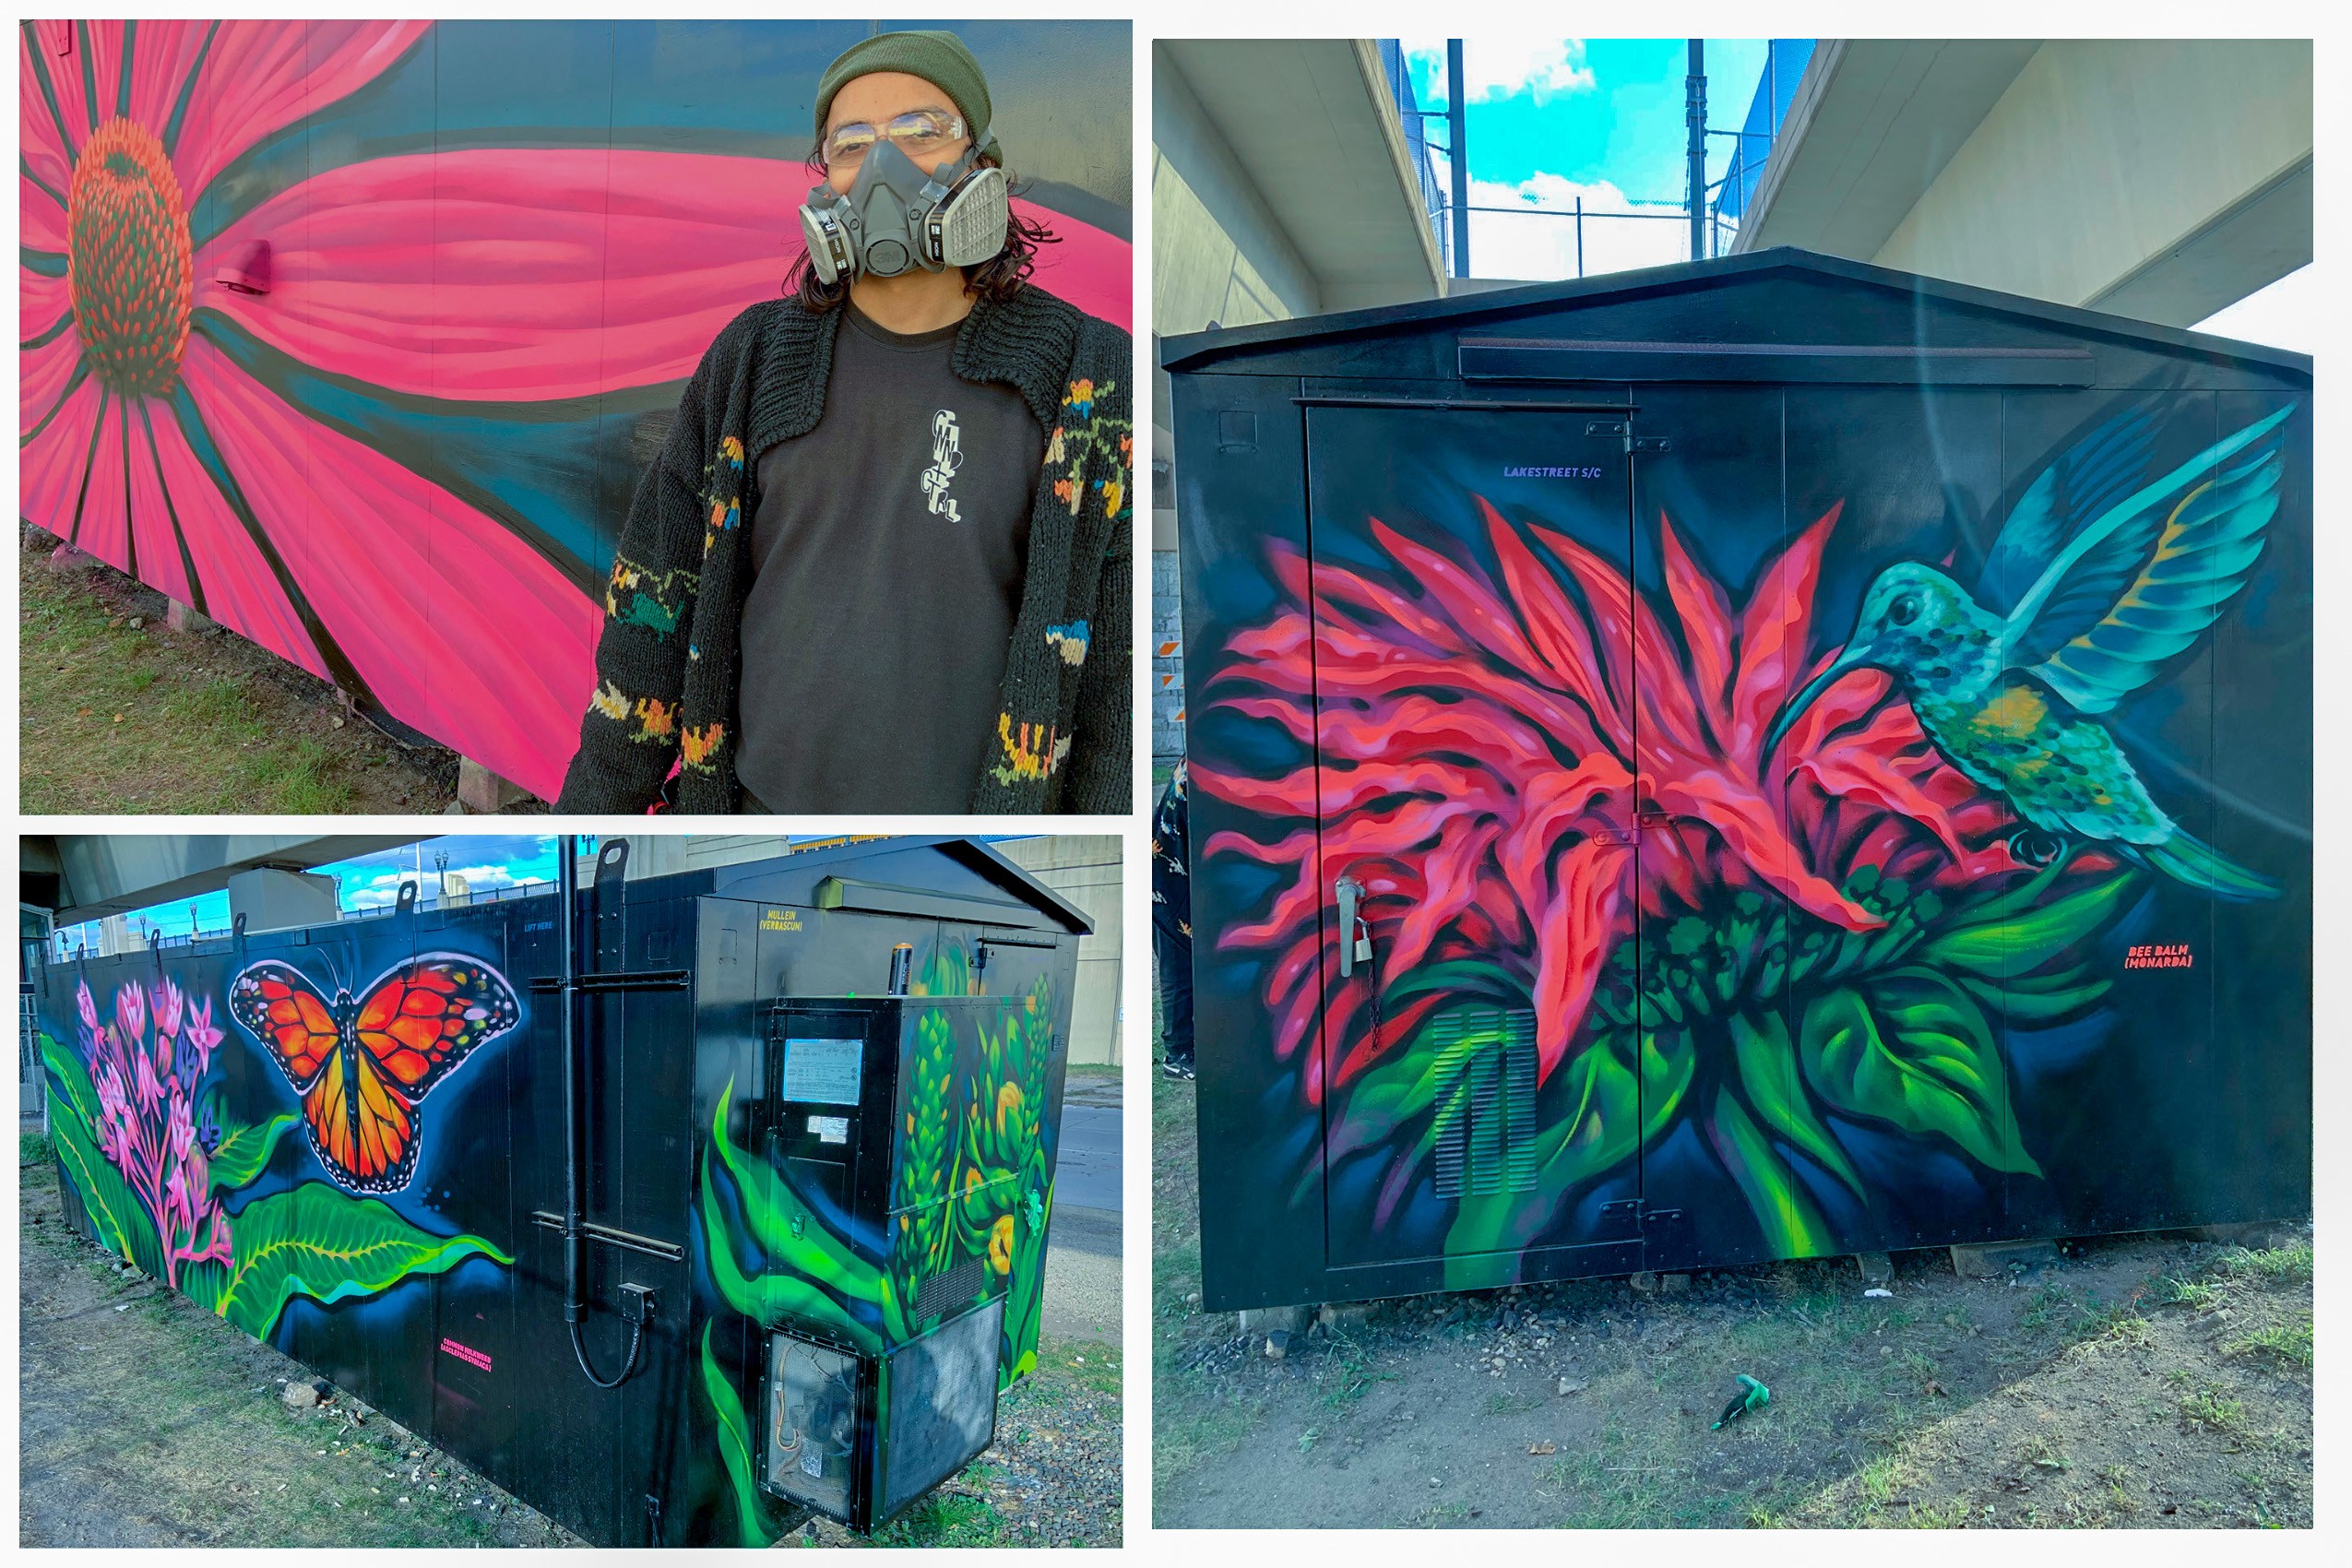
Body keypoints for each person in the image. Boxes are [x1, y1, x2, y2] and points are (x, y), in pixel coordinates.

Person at [556, 30, 1132, 814]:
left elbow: (1115, 693)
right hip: (752, 814)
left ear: (982, 164)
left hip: (972, 836)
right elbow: (650, 618)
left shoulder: (1086, 376)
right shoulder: (753, 359)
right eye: (852, 143)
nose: (884, 167)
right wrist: (589, 827)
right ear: (824, 177)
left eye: (924, 131)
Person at [1152, 758, 1194, 1079]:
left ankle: (1184, 1048)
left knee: (1181, 969)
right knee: (1177, 971)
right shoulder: (1202, 766)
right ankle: (1177, 1055)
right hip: (1166, 881)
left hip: (1170, 872)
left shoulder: (1195, 757)